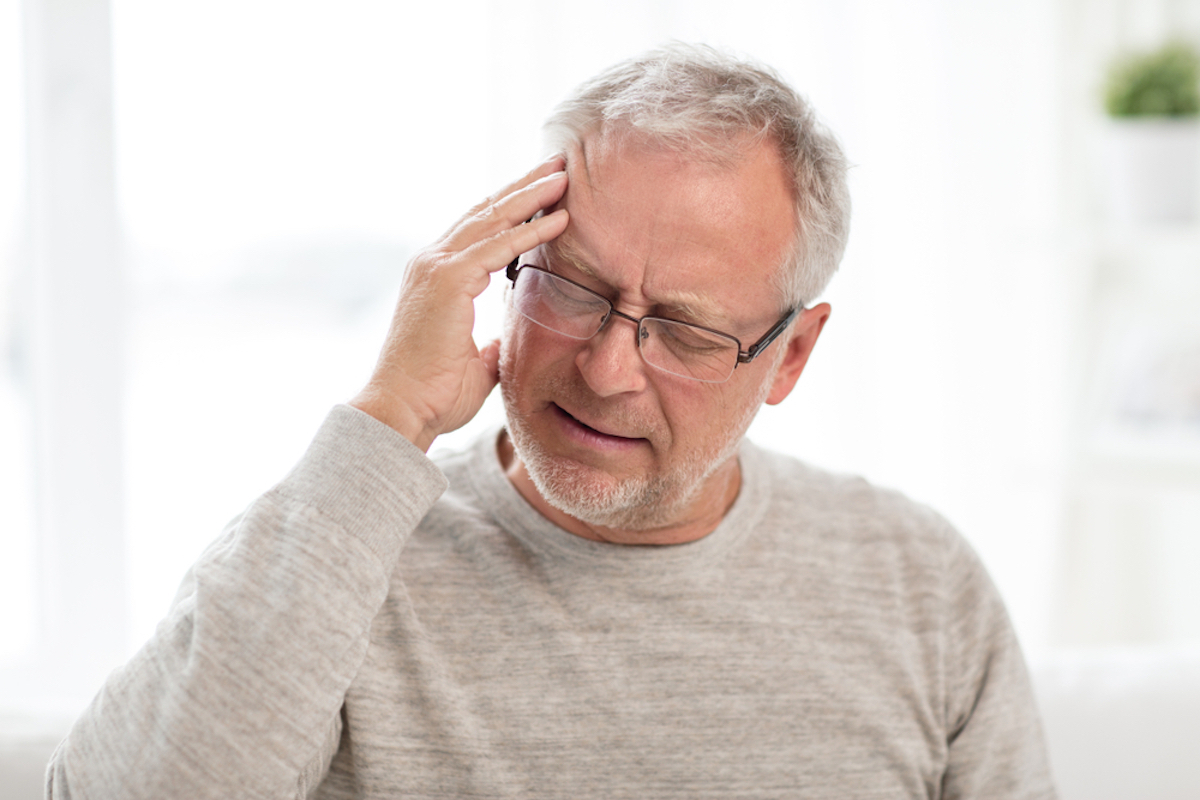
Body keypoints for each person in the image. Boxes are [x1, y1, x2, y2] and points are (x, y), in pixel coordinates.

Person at [46, 44, 1056, 799]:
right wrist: (390, 416)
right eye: (571, 289)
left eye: (684, 330)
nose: (607, 370)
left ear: (790, 355)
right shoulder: (345, 548)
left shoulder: (921, 582)